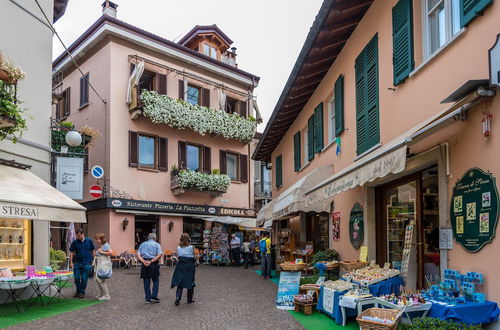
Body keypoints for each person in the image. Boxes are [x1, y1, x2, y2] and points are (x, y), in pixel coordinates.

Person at [136, 233, 163, 304]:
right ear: (155, 238)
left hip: (144, 263)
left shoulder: (142, 244)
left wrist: (143, 261)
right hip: (153, 263)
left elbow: (138, 254)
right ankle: (153, 296)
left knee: (146, 281)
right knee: (156, 280)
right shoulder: (157, 244)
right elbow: (160, 254)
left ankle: (147, 299)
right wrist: (151, 261)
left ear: (148, 238)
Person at [69, 228, 95, 298]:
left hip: (86, 263)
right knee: (76, 278)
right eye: (77, 235)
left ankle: (82, 292)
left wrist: (93, 260)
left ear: (83, 234)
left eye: (79, 235)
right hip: (77, 263)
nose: (78, 237)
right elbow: (71, 252)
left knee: (84, 279)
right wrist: (71, 262)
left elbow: (93, 250)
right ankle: (78, 291)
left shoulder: (89, 241)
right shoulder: (75, 242)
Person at [171, 233, 196, 306]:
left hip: (181, 265)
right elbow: (194, 256)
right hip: (189, 266)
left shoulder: (178, 247)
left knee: (180, 282)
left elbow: (178, 256)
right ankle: (189, 299)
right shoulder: (192, 247)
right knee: (190, 281)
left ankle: (177, 298)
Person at [94, 233, 112, 301]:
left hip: (103, 265)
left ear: (101, 239)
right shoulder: (102, 245)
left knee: (100, 279)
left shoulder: (106, 245)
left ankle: (106, 295)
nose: (96, 240)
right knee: (98, 279)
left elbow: (111, 253)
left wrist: (101, 252)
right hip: (99, 264)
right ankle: (102, 293)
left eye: (97, 239)